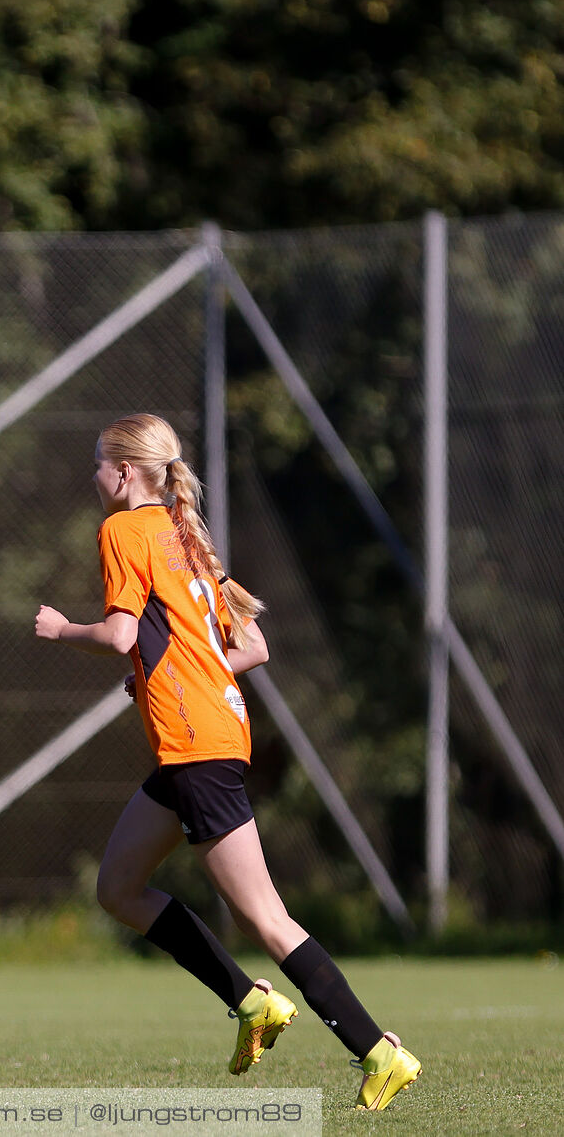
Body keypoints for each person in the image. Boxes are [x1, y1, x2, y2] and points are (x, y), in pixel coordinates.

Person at [32, 414, 420, 1112]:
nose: (93, 476)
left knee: (267, 920)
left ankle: (377, 1051)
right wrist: (163, 670)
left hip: (196, 747)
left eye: (98, 463)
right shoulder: (183, 534)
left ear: (124, 472)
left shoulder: (123, 530)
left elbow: (120, 631)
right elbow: (252, 647)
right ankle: (249, 1002)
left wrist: (61, 629)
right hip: (203, 738)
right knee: (118, 886)